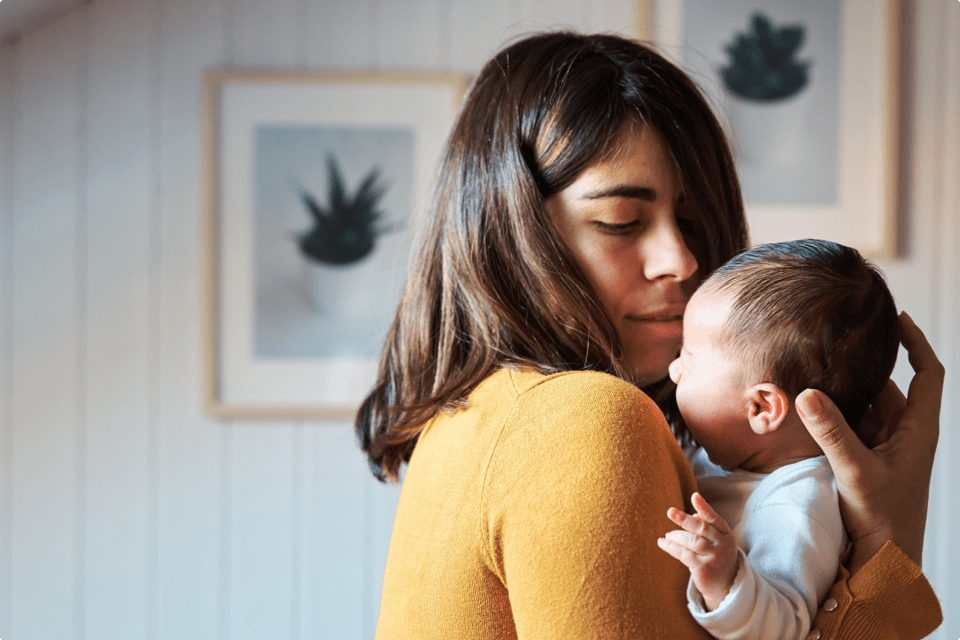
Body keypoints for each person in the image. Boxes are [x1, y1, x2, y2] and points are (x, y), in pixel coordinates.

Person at [355, 31, 944, 639]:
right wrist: (885, 546)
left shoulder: (471, 415)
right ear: (509, 233)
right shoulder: (583, 420)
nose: (681, 260)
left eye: (691, 221)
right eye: (621, 221)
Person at [658, 239, 900, 639]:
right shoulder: (735, 460)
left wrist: (726, 579)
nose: (673, 370)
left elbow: (784, 627)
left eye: (689, 357)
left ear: (762, 409)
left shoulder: (798, 505)